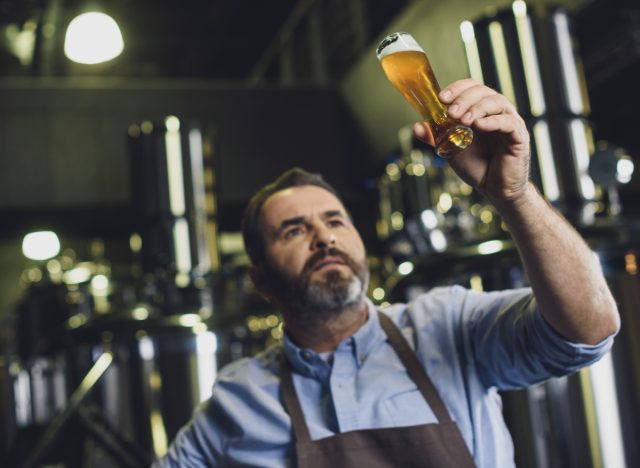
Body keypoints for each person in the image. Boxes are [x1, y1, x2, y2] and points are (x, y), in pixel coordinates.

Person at [154, 79, 620, 467]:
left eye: (335, 221)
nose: (325, 238)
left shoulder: (447, 325)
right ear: (261, 280)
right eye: (294, 230)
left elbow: (587, 331)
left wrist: (514, 196)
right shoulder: (240, 398)